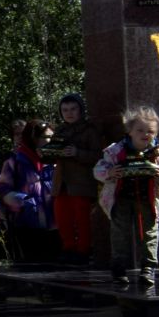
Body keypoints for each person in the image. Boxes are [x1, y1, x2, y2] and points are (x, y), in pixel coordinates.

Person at [94, 106, 159, 285]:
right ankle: (119, 268)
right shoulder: (115, 151)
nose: (145, 134)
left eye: (150, 131)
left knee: (150, 234)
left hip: (148, 200)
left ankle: (148, 268)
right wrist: (110, 173)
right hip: (121, 198)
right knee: (120, 234)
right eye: (140, 130)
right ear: (129, 130)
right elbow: (98, 169)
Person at [0, 120, 58, 265]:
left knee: (56, 269)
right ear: (34, 138)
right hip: (27, 223)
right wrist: (25, 202)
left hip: (55, 222)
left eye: (52, 137)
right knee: (31, 267)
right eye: (46, 137)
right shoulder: (15, 161)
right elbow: (3, 190)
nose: (50, 141)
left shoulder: (55, 160)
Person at [52, 92, 101, 265]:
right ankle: (68, 248)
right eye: (65, 110)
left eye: (73, 109)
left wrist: (77, 153)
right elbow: (53, 151)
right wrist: (49, 152)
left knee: (82, 220)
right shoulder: (59, 130)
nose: (69, 113)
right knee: (62, 217)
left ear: (81, 110)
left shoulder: (89, 130)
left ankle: (83, 250)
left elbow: (98, 156)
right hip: (62, 182)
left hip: (81, 183)